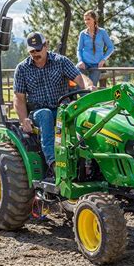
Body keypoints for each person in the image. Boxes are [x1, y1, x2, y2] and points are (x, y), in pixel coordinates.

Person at [13, 32, 91, 179]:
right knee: (45, 114)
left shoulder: (60, 61)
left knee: (79, 115)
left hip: (62, 108)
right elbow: (19, 98)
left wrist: (88, 89)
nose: (35, 53)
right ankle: (54, 164)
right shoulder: (22, 69)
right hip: (38, 112)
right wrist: (23, 120)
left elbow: (79, 79)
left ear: (46, 46)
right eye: (32, 51)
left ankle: (86, 159)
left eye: (38, 49)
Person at [76, 10, 114, 87]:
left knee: (92, 87)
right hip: (84, 63)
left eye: (88, 19)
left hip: (96, 64)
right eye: (85, 20)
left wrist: (103, 60)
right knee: (76, 82)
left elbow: (111, 47)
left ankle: (88, 97)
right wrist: (80, 61)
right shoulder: (82, 34)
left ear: (94, 19)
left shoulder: (102, 32)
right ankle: (83, 97)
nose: (86, 22)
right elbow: (79, 49)